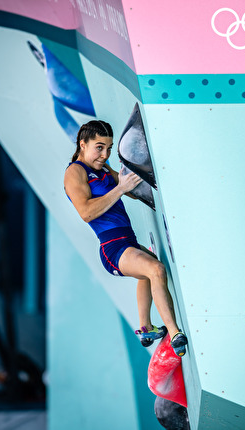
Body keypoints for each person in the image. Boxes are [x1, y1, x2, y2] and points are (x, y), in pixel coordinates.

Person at [64, 120, 188, 356]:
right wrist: (119, 189)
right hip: (112, 247)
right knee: (156, 270)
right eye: (99, 147)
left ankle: (146, 328)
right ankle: (174, 333)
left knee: (148, 267)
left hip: (127, 240)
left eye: (109, 148)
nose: (104, 154)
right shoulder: (75, 171)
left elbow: (128, 189)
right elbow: (86, 212)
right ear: (83, 144)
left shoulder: (102, 168)